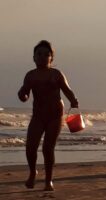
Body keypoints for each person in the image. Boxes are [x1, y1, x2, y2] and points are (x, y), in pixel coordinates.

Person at [18, 40, 79, 191]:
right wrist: (22, 95)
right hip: (38, 115)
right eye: (39, 54)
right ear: (34, 57)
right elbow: (24, 92)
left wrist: (73, 100)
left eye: (47, 54)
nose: (42, 57)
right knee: (30, 147)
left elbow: (67, 90)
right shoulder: (30, 76)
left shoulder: (56, 74)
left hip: (55, 115)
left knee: (47, 148)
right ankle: (33, 172)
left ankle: (48, 180)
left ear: (51, 58)